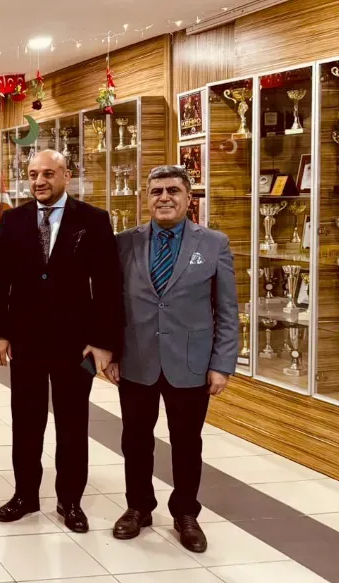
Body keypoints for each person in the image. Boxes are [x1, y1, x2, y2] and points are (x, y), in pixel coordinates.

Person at [105, 165, 238, 553]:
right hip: (137, 360)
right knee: (135, 439)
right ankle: (138, 507)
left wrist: (222, 364)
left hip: (191, 363)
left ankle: (185, 513)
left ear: (188, 198)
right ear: (146, 198)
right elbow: (111, 305)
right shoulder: (124, 243)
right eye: (156, 191)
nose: (164, 197)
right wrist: (111, 352)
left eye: (173, 191)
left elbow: (227, 309)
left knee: (186, 442)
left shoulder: (213, 243)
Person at [0, 149, 123, 533]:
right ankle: (25, 496)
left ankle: (70, 501)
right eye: (33, 174)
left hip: (75, 344)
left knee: (72, 425)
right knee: (26, 423)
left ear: (67, 175)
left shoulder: (93, 220)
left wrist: (103, 341)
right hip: (26, 341)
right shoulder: (13, 220)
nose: (39, 181)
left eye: (48, 173)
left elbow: (109, 286)